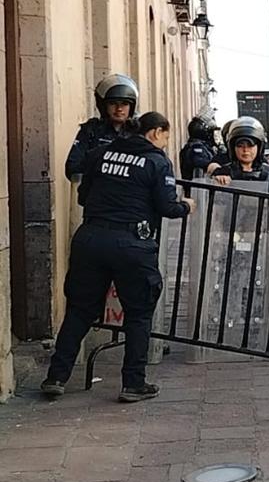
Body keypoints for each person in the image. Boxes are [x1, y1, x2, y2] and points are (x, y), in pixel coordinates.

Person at [42, 112, 196, 401]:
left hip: (90, 238)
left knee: (79, 310)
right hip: (132, 245)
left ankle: (56, 377)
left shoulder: (100, 153)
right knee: (138, 314)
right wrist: (187, 205)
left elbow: (83, 196)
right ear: (156, 132)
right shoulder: (156, 161)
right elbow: (167, 207)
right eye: (166, 136)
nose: (165, 143)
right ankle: (133, 383)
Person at [65, 73, 141, 180]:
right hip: (97, 192)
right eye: (113, 103)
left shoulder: (140, 132)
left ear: (131, 107)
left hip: (130, 192)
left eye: (124, 103)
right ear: (103, 106)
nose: (119, 108)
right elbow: (73, 167)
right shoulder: (91, 130)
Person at [212, 117, 269, 191]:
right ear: (232, 148)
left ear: (259, 147)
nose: (245, 150)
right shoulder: (223, 171)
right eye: (240, 146)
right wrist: (219, 180)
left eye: (250, 145)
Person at [179, 115, 223, 180]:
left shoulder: (202, 147)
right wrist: (212, 165)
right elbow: (198, 161)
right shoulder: (196, 147)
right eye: (210, 132)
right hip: (197, 188)